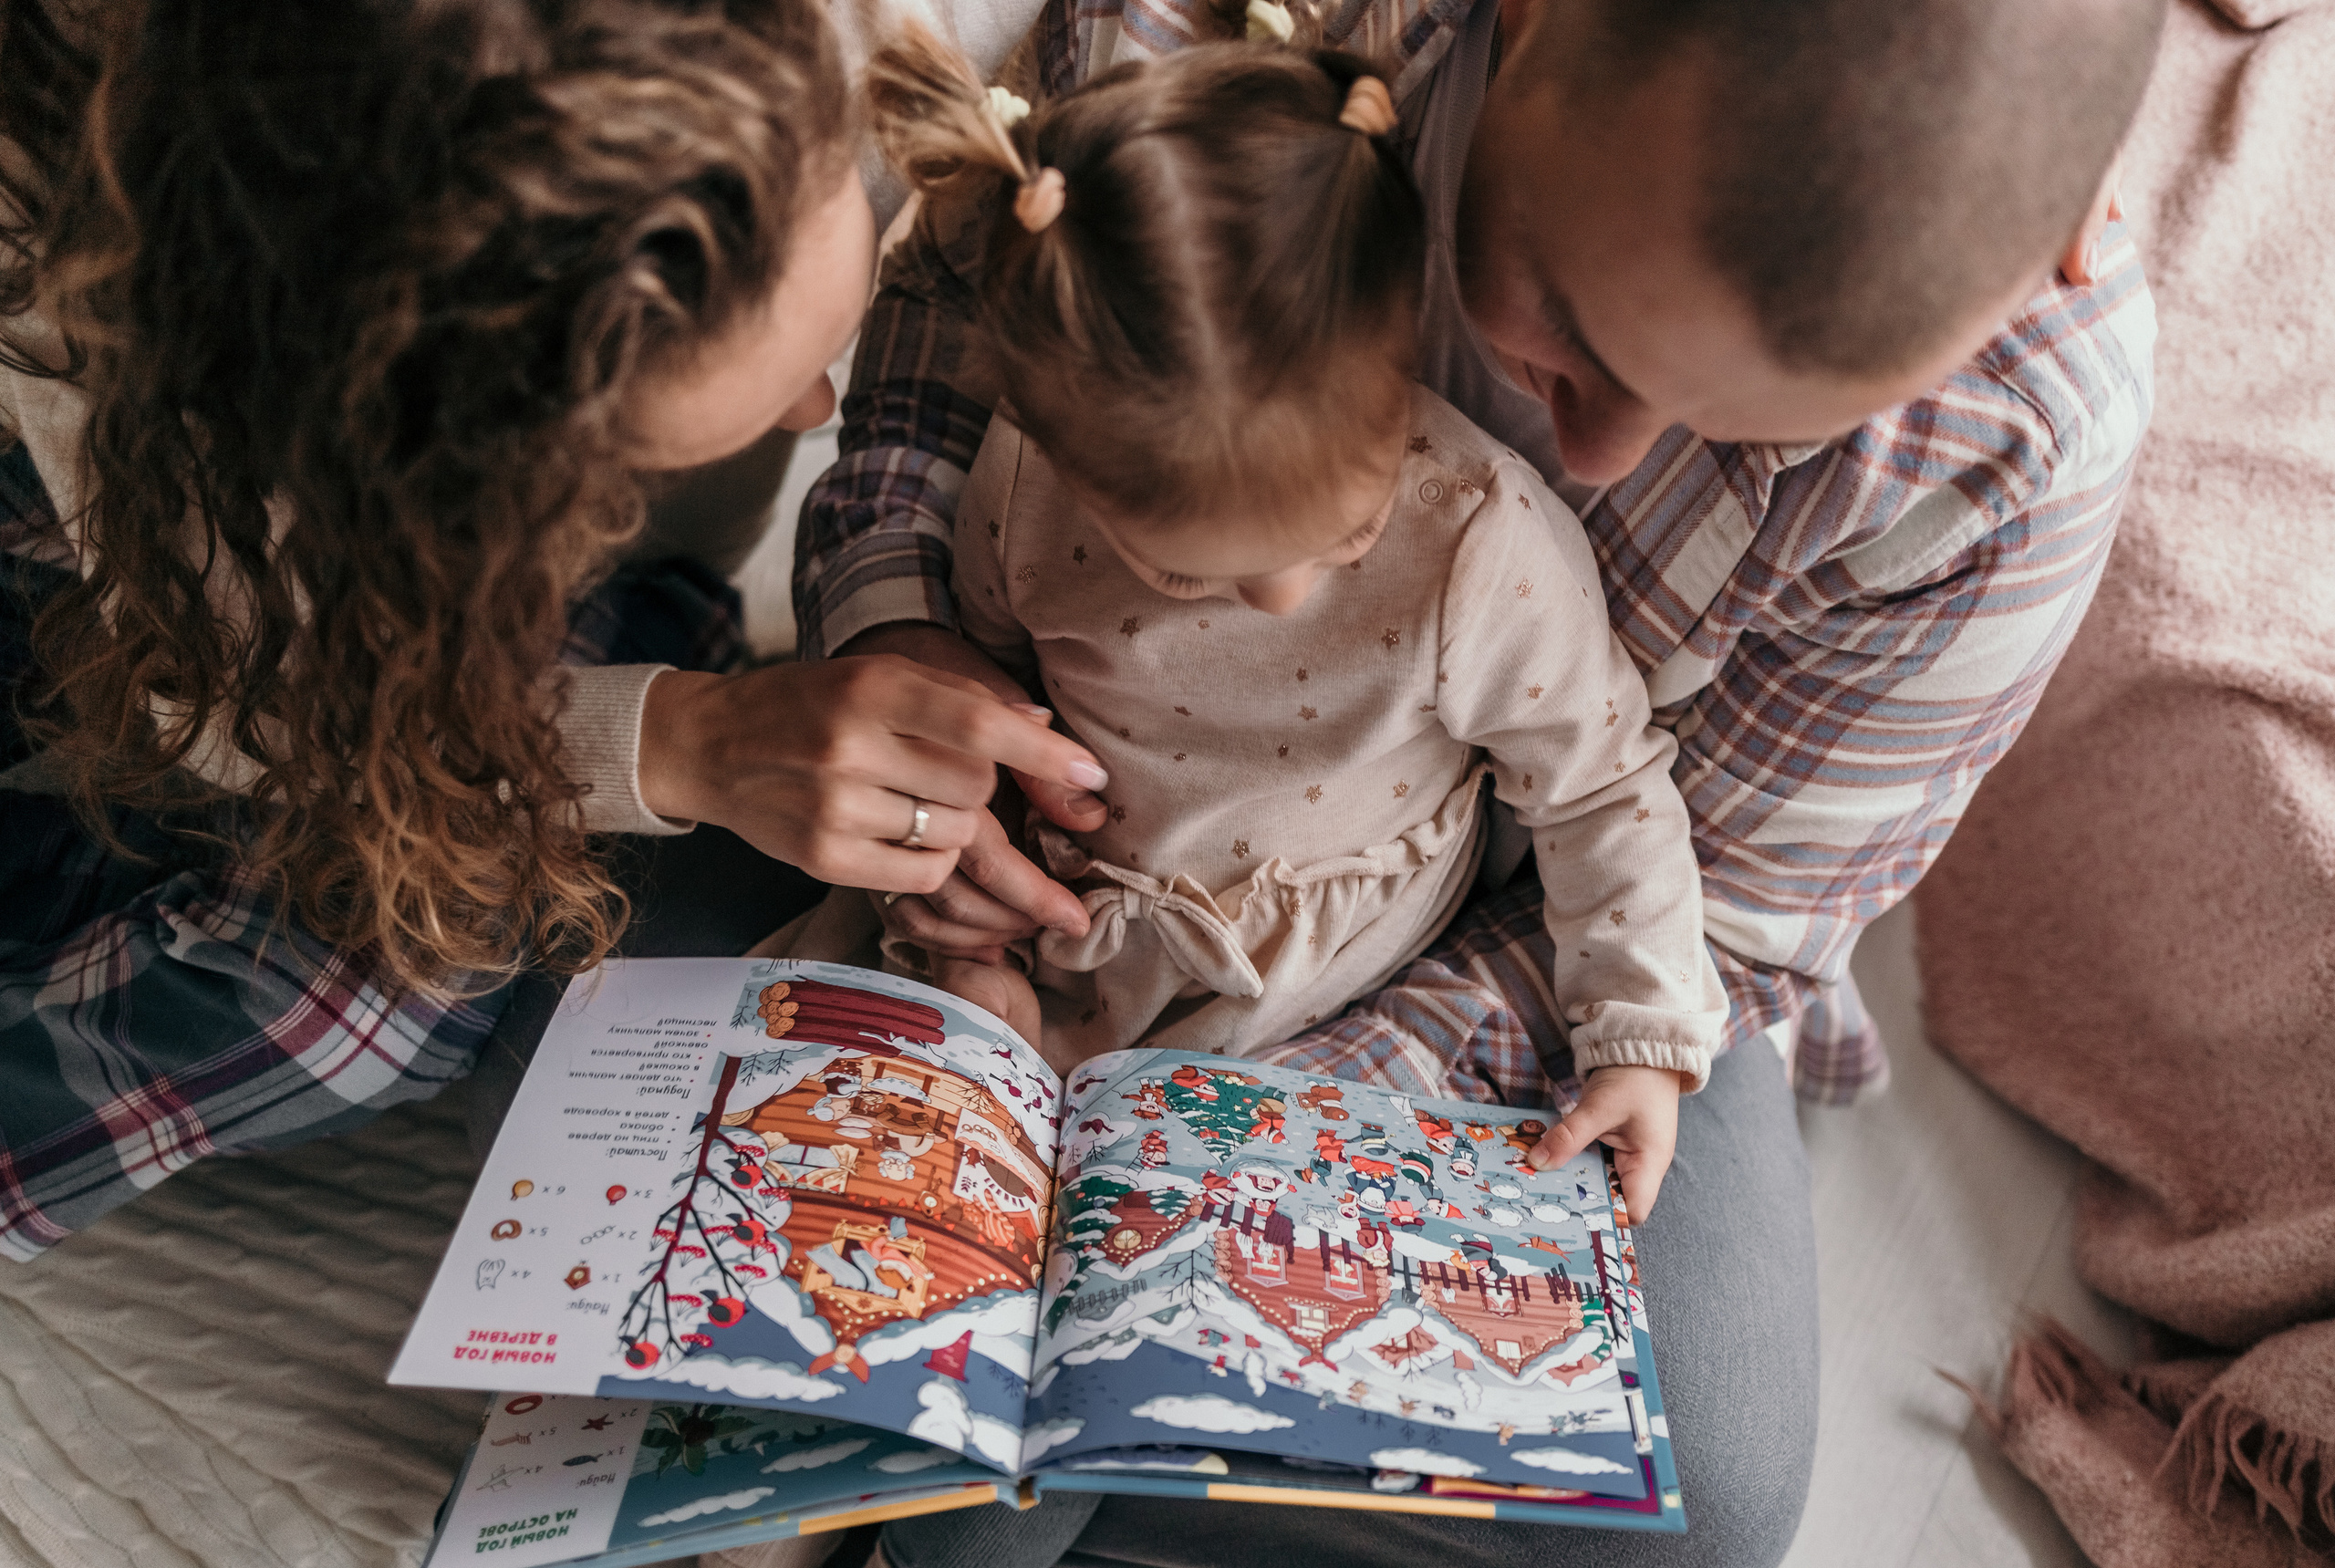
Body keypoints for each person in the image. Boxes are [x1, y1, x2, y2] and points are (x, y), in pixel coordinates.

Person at [789, 0, 2166, 1561]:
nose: (1585, 460)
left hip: (1558, 930)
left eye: (1733, 431)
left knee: (1697, 1497)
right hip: (1098, 853)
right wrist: (908, 645)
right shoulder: (1222, 43)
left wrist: (1231, 1131)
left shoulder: (2014, 437)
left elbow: (1700, 892)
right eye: (1569, 321)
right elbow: (974, 324)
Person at [0, 0, 1113, 1260]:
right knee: (386, 973)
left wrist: (883, 615)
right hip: (108, 547)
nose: (814, 415)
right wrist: (680, 744)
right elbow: (236, 695)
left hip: (492, 587)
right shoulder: (122, 278)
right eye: (629, 445)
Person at [856, 29, 1725, 1218]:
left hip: (1334, 970)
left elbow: (1598, 786)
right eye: (1181, 569)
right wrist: (978, 899)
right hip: (1078, 913)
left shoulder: (1474, 545)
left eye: (1346, 534)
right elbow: (993, 696)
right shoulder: (1024, 480)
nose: (1278, 598)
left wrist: (1635, 1034)